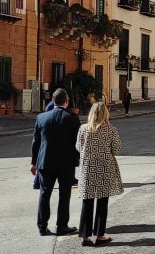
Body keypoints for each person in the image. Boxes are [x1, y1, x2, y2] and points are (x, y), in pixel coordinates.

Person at [31, 88, 81, 236]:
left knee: (44, 194)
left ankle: (42, 227)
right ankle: (62, 226)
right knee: (64, 195)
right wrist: (78, 159)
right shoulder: (72, 117)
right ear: (66, 101)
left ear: (53, 101)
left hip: (45, 162)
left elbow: (36, 142)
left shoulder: (41, 117)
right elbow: (77, 142)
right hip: (66, 163)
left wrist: (33, 163)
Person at [76, 102, 123, 246]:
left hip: (88, 168)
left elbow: (78, 146)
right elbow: (117, 149)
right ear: (105, 114)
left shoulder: (83, 129)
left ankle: (85, 236)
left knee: (87, 201)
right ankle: (100, 234)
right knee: (103, 201)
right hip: (104, 168)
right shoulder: (110, 130)